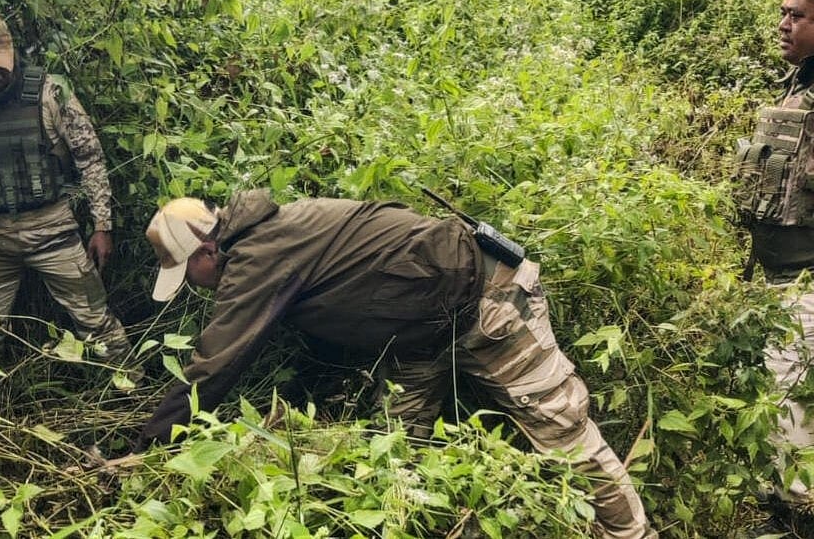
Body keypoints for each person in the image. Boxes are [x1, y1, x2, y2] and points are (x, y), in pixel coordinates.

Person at [135, 188, 654, 539]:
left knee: (563, 432)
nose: (197, 288)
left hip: (486, 304)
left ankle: (631, 534)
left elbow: (216, 363)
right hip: (419, 333)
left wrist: (153, 446)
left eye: (188, 275)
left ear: (205, 252)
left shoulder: (255, 257)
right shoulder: (283, 225)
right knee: (399, 453)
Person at [0, 11, 130, 362]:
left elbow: (90, 158)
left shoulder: (49, 92)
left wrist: (102, 225)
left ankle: (130, 386)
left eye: (1, 64)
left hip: (53, 228)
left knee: (97, 323)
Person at [733, 0, 814, 520]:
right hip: (780, 280)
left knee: (784, 405)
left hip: (806, 283)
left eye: (797, 16)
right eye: (783, 13)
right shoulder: (799, 85)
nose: (783, 24)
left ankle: (790, 519)